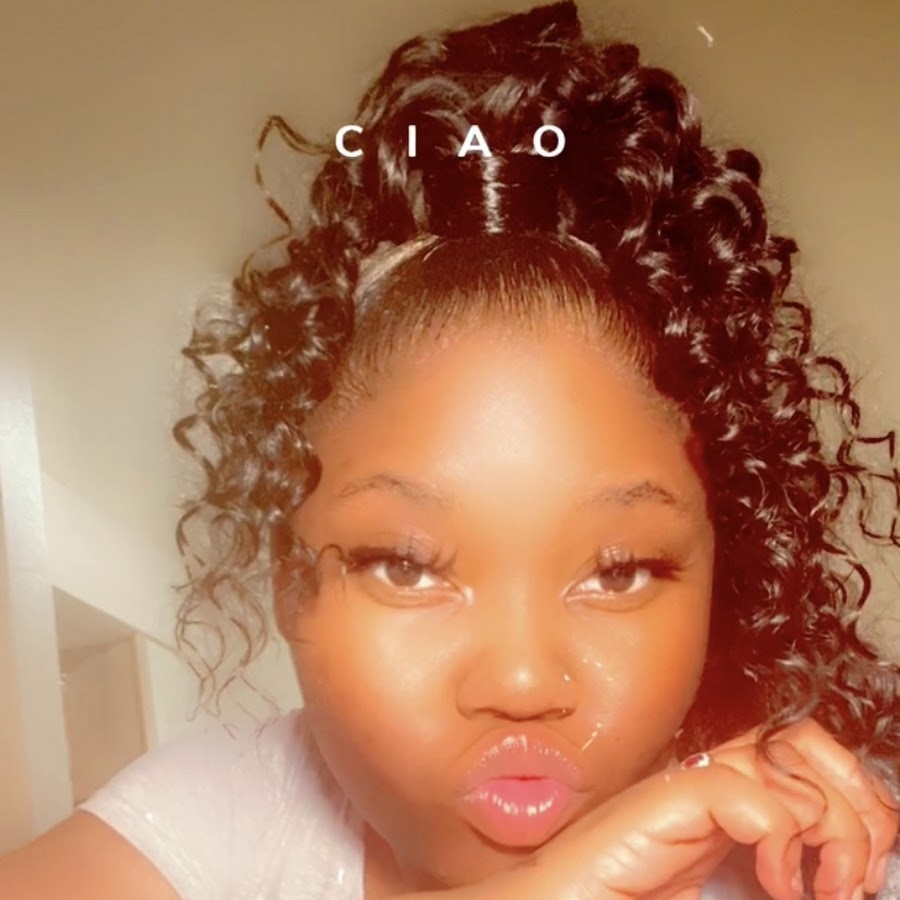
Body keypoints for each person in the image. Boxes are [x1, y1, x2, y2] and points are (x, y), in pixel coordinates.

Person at [1, 2, 898, 898]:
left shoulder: (831, 865)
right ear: (288, 581)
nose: (522, 680)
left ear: (719, 578)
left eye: (620, 571)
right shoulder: (222, 814)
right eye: (405, 565)